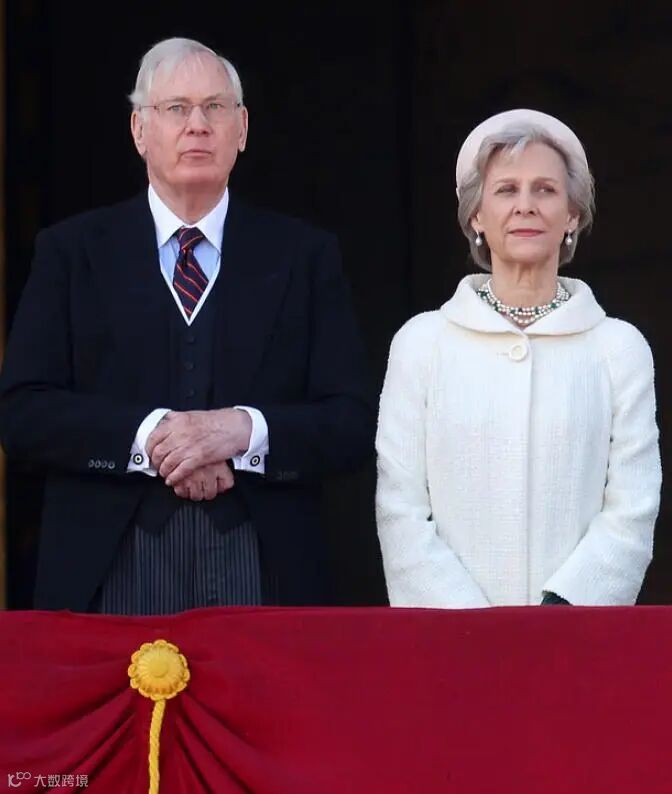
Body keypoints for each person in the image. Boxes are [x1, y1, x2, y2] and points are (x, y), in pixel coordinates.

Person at [0, 37, 375, 613]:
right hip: (109, 573)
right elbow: (22, 413)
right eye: (176, 108)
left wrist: (244, 433)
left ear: (241, 129)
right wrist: (152, 437)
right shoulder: (71, 253)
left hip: (265, 571)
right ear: (139, 130)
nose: (197, 125)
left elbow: (352, 421)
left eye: (215, 107)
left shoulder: (305, 256)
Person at [375, 109, 661, 608]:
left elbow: (633, 506)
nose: (525, 206)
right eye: (506, 190)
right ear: (476, 216)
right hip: (452, 637)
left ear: (572, 215)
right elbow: (400, 506)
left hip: (575, 638)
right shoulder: (421, 344)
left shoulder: (619, 349)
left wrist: (562, 613)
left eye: (545, 190)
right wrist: (470, 624)